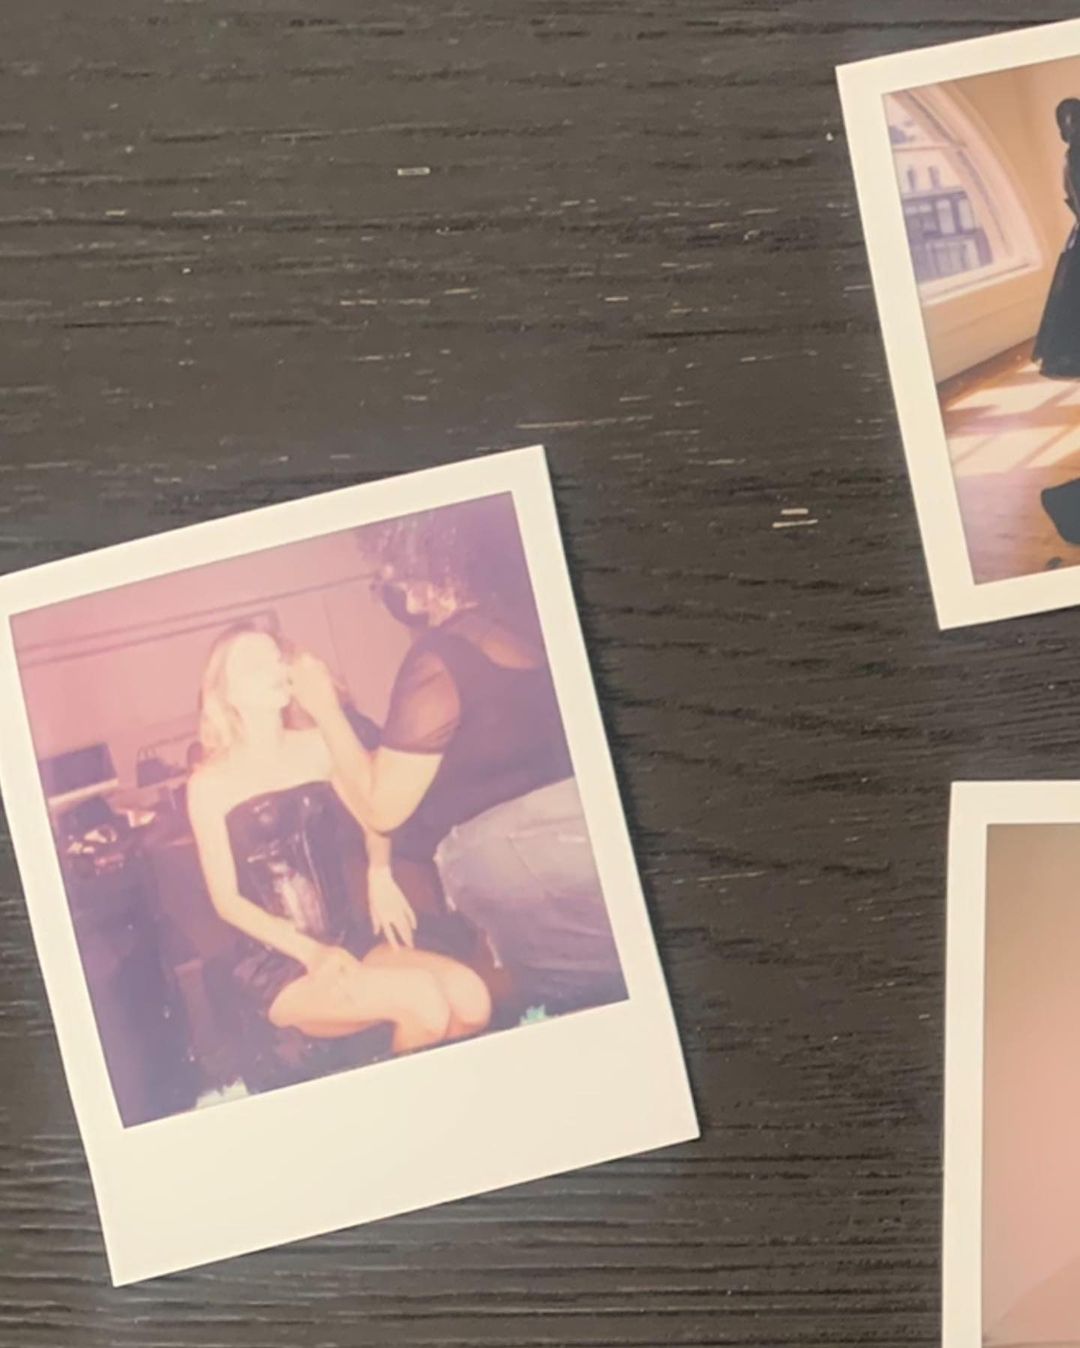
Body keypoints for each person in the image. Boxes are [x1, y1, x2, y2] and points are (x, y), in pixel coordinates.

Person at [289, 502, 628, 1017]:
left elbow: (382, 808)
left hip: (524, 865)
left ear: (438, 568)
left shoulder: (439, 659)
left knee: (583, 1007)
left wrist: (323, 707)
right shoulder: (522, 631)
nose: (400, 596)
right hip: (576, 835)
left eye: (401, 578)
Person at [186, 624, 490, 1057]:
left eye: (275, 657)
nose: (274, 667)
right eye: (254, 664)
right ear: (226, 693)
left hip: (347, 939)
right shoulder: (209, 783)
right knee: (425, 1006)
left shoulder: (317, 746)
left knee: (472, 998)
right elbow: (226, 901)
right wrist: (312, 954)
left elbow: (374, 810)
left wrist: (380, 872)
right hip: (278, 964)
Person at [1035, 98, 1080, 378]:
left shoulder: (1073, 154)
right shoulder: (1073, 155)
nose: (1072, 125)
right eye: (1068, 121)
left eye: (1075, 118)